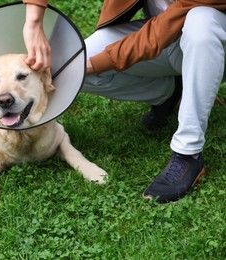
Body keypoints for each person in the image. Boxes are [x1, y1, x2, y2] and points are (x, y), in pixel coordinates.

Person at [22, 0, 226, 203]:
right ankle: (169, 92)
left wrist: (94, 63)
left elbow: (161, 30)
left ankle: (188, 153)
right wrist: (34, 21)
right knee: (69, 68)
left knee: (201, 24)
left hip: (214, 41)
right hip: (168, 36)